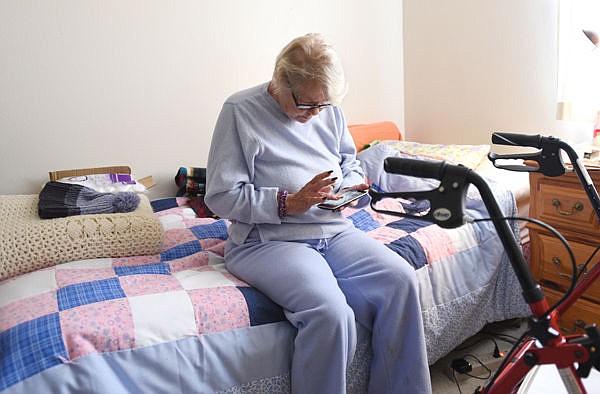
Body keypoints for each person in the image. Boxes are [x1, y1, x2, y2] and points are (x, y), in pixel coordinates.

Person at [205, 33, 432, 394]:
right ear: (279, 81)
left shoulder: (327, 107)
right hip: (268, 240)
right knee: (331, 314)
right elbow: (219, 195)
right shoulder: (240, 110)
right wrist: (288, 203)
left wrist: (352, 188)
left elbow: (348, 162)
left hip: (333, 228)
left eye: (322, 106)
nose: (314, 115)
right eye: (307, 105)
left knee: (400, 280)